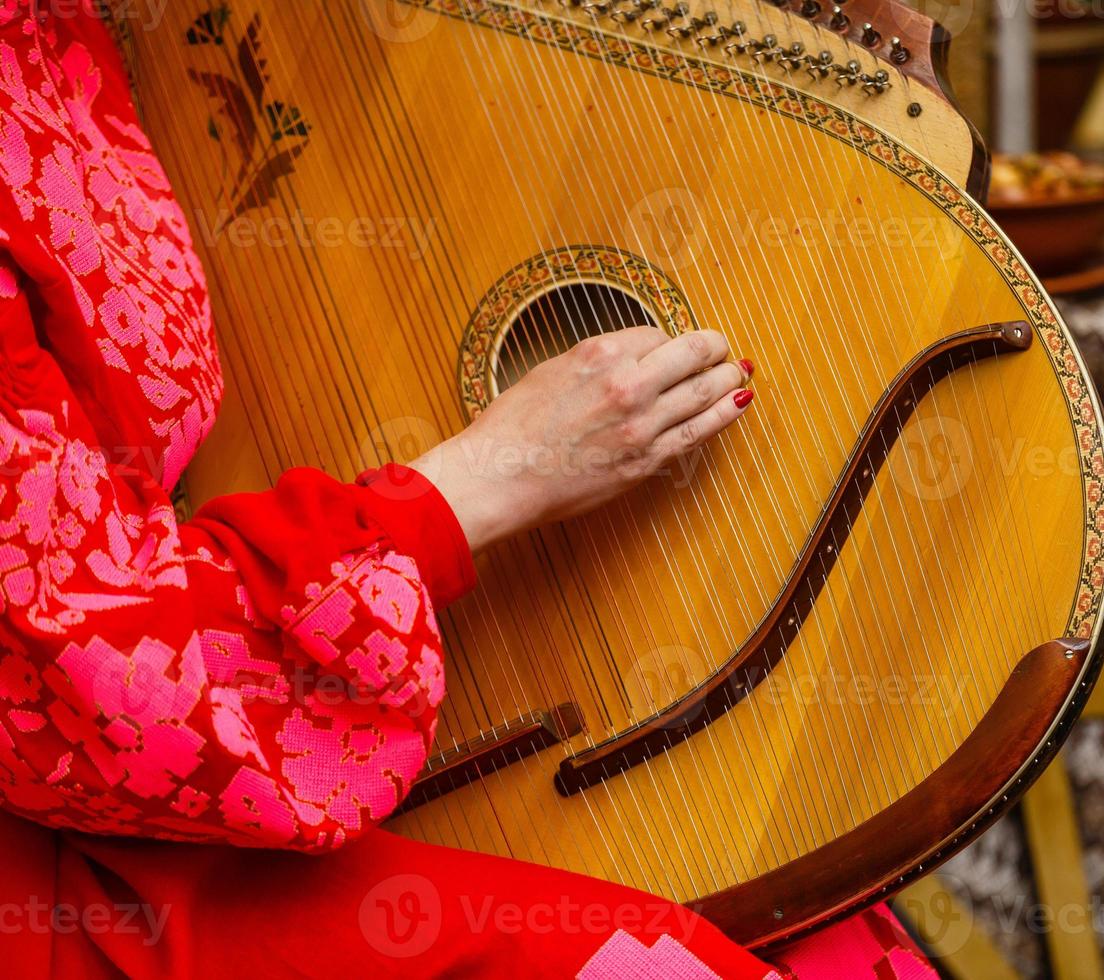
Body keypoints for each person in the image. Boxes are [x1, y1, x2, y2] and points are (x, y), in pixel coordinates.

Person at [0, 3, 940, 976]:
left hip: (262, 650)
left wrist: (797, 42)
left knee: (838, 934)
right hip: (93, 825)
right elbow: (76, 663)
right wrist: (493, 471)